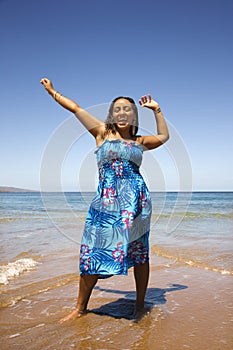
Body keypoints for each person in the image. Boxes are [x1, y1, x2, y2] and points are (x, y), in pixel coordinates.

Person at [40, 78, 169, 322]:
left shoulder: (139, 142)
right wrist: (53, 92)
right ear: (112, 114)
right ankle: (79, 309)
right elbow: (76, 108)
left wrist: (157, 109)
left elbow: (163, 136)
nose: (122, 112)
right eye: (117, 108)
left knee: (139, 253)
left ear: (133, 116)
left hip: (137, 203)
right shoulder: (101, 133)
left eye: (128, 109)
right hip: (106, 203)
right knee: (91, 253)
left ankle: (139, 306)